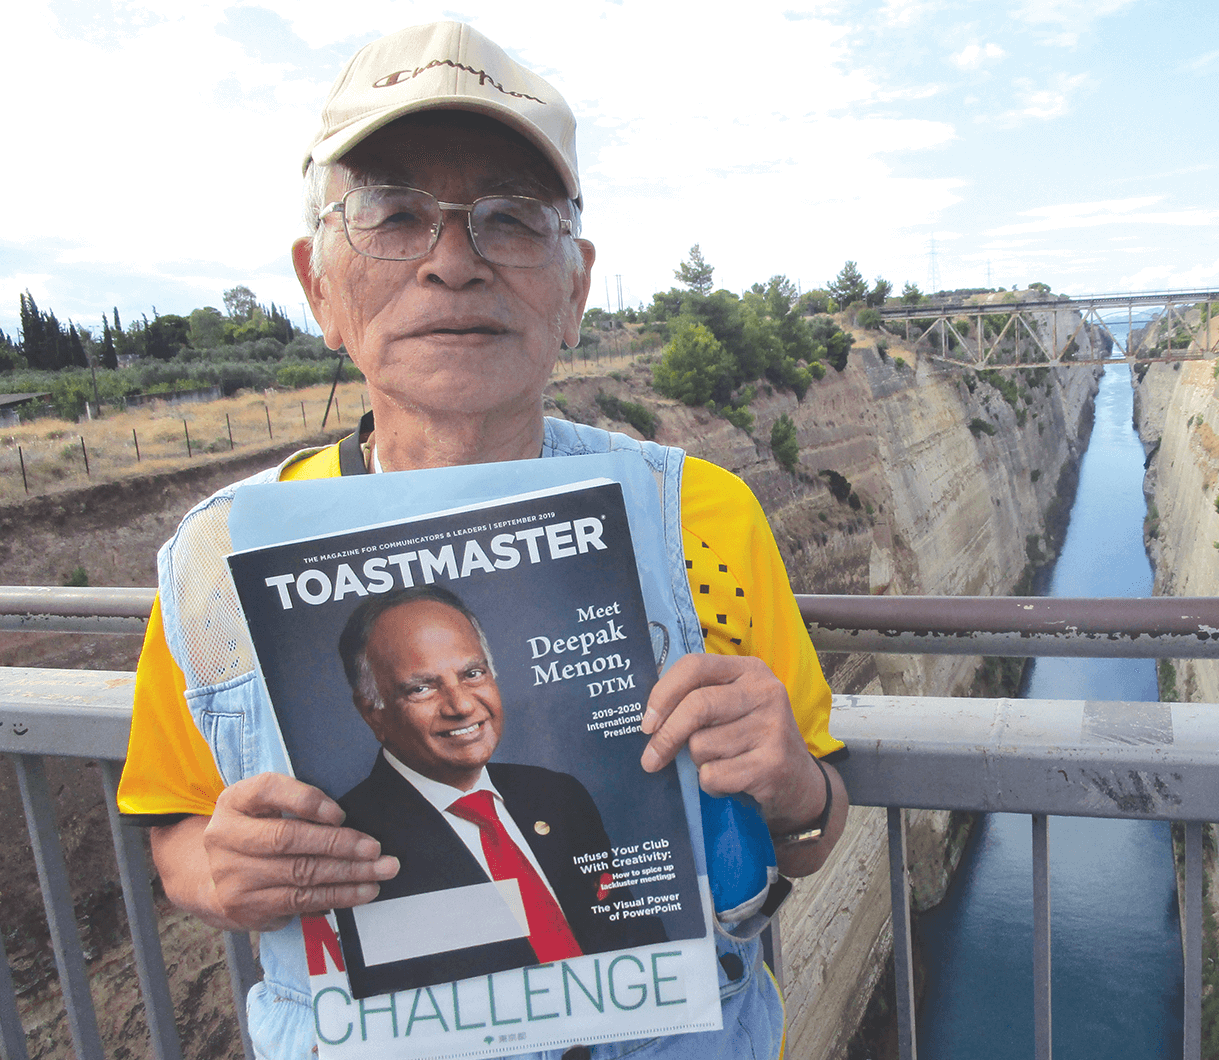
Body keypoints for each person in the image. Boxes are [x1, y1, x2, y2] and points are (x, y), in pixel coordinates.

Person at [115, 19, 848, 1060]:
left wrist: (793, 783)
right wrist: (216, 872)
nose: (452, 262)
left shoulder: (706, 514)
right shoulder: (211, 562)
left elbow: (813, 832)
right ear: (316, 284)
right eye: (392, 214)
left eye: (510, 219)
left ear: (576, 287)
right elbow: (172, 832)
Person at [331, 585, 664, 998]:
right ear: (371, 711)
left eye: (473, 674)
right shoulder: (345, 843)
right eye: (421, 688)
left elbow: (633, 939)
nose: (461, 705)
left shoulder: (557, 795)